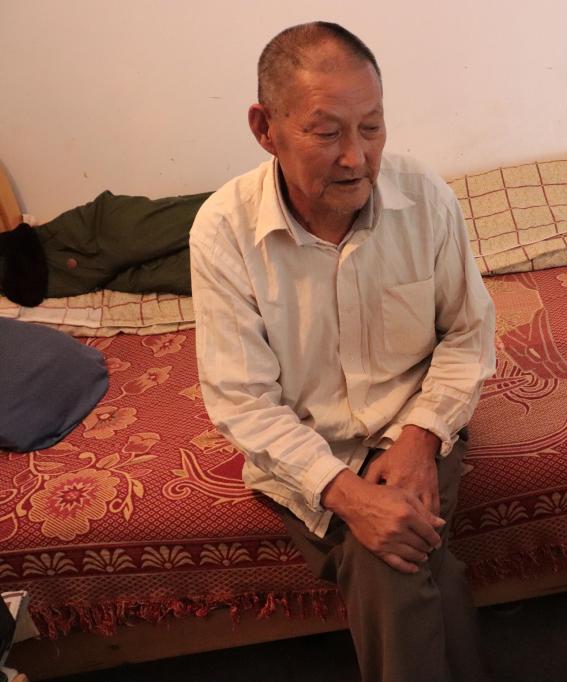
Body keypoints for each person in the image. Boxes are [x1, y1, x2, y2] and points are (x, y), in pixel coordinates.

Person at [189, 22, 495, 682]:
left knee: (393, 558)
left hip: (415, 423)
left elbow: (468, 334)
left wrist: (420, 439)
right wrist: (347, 494)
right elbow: (242, 399)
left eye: (372, 128)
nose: (356, 157)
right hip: (305, 447)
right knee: (400, 559)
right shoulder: (223, 230)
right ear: (265, 128)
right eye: (327, 134)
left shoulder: (426, 200)